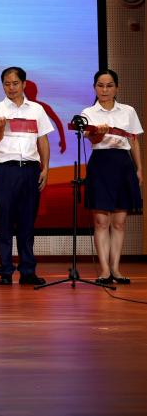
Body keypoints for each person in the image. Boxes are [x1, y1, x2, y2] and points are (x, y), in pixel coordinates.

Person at [0, 66, 52, 286]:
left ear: (24, 84)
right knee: (5, 221)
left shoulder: (37, 110)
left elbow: (43, 140)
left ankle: (28, 271)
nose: (11, 88)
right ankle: (5, 271)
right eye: (6, 84)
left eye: (15, 83)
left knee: (27, 222)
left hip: (30, 169)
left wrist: (45, 168)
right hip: (6, 170)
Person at [81, 69, 143, 286]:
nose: (104, 90)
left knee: (119, 222)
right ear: (94, 88)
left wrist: (139, 169)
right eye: (100, 85)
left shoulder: (128, 111)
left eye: (109, 86)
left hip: (123, 165)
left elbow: (133, 141)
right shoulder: (88, 112)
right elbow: (91, 140)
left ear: (116, 88)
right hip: (100, 164)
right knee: (101, 221)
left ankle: (116, 268)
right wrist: (98, 132)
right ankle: (104, 271)